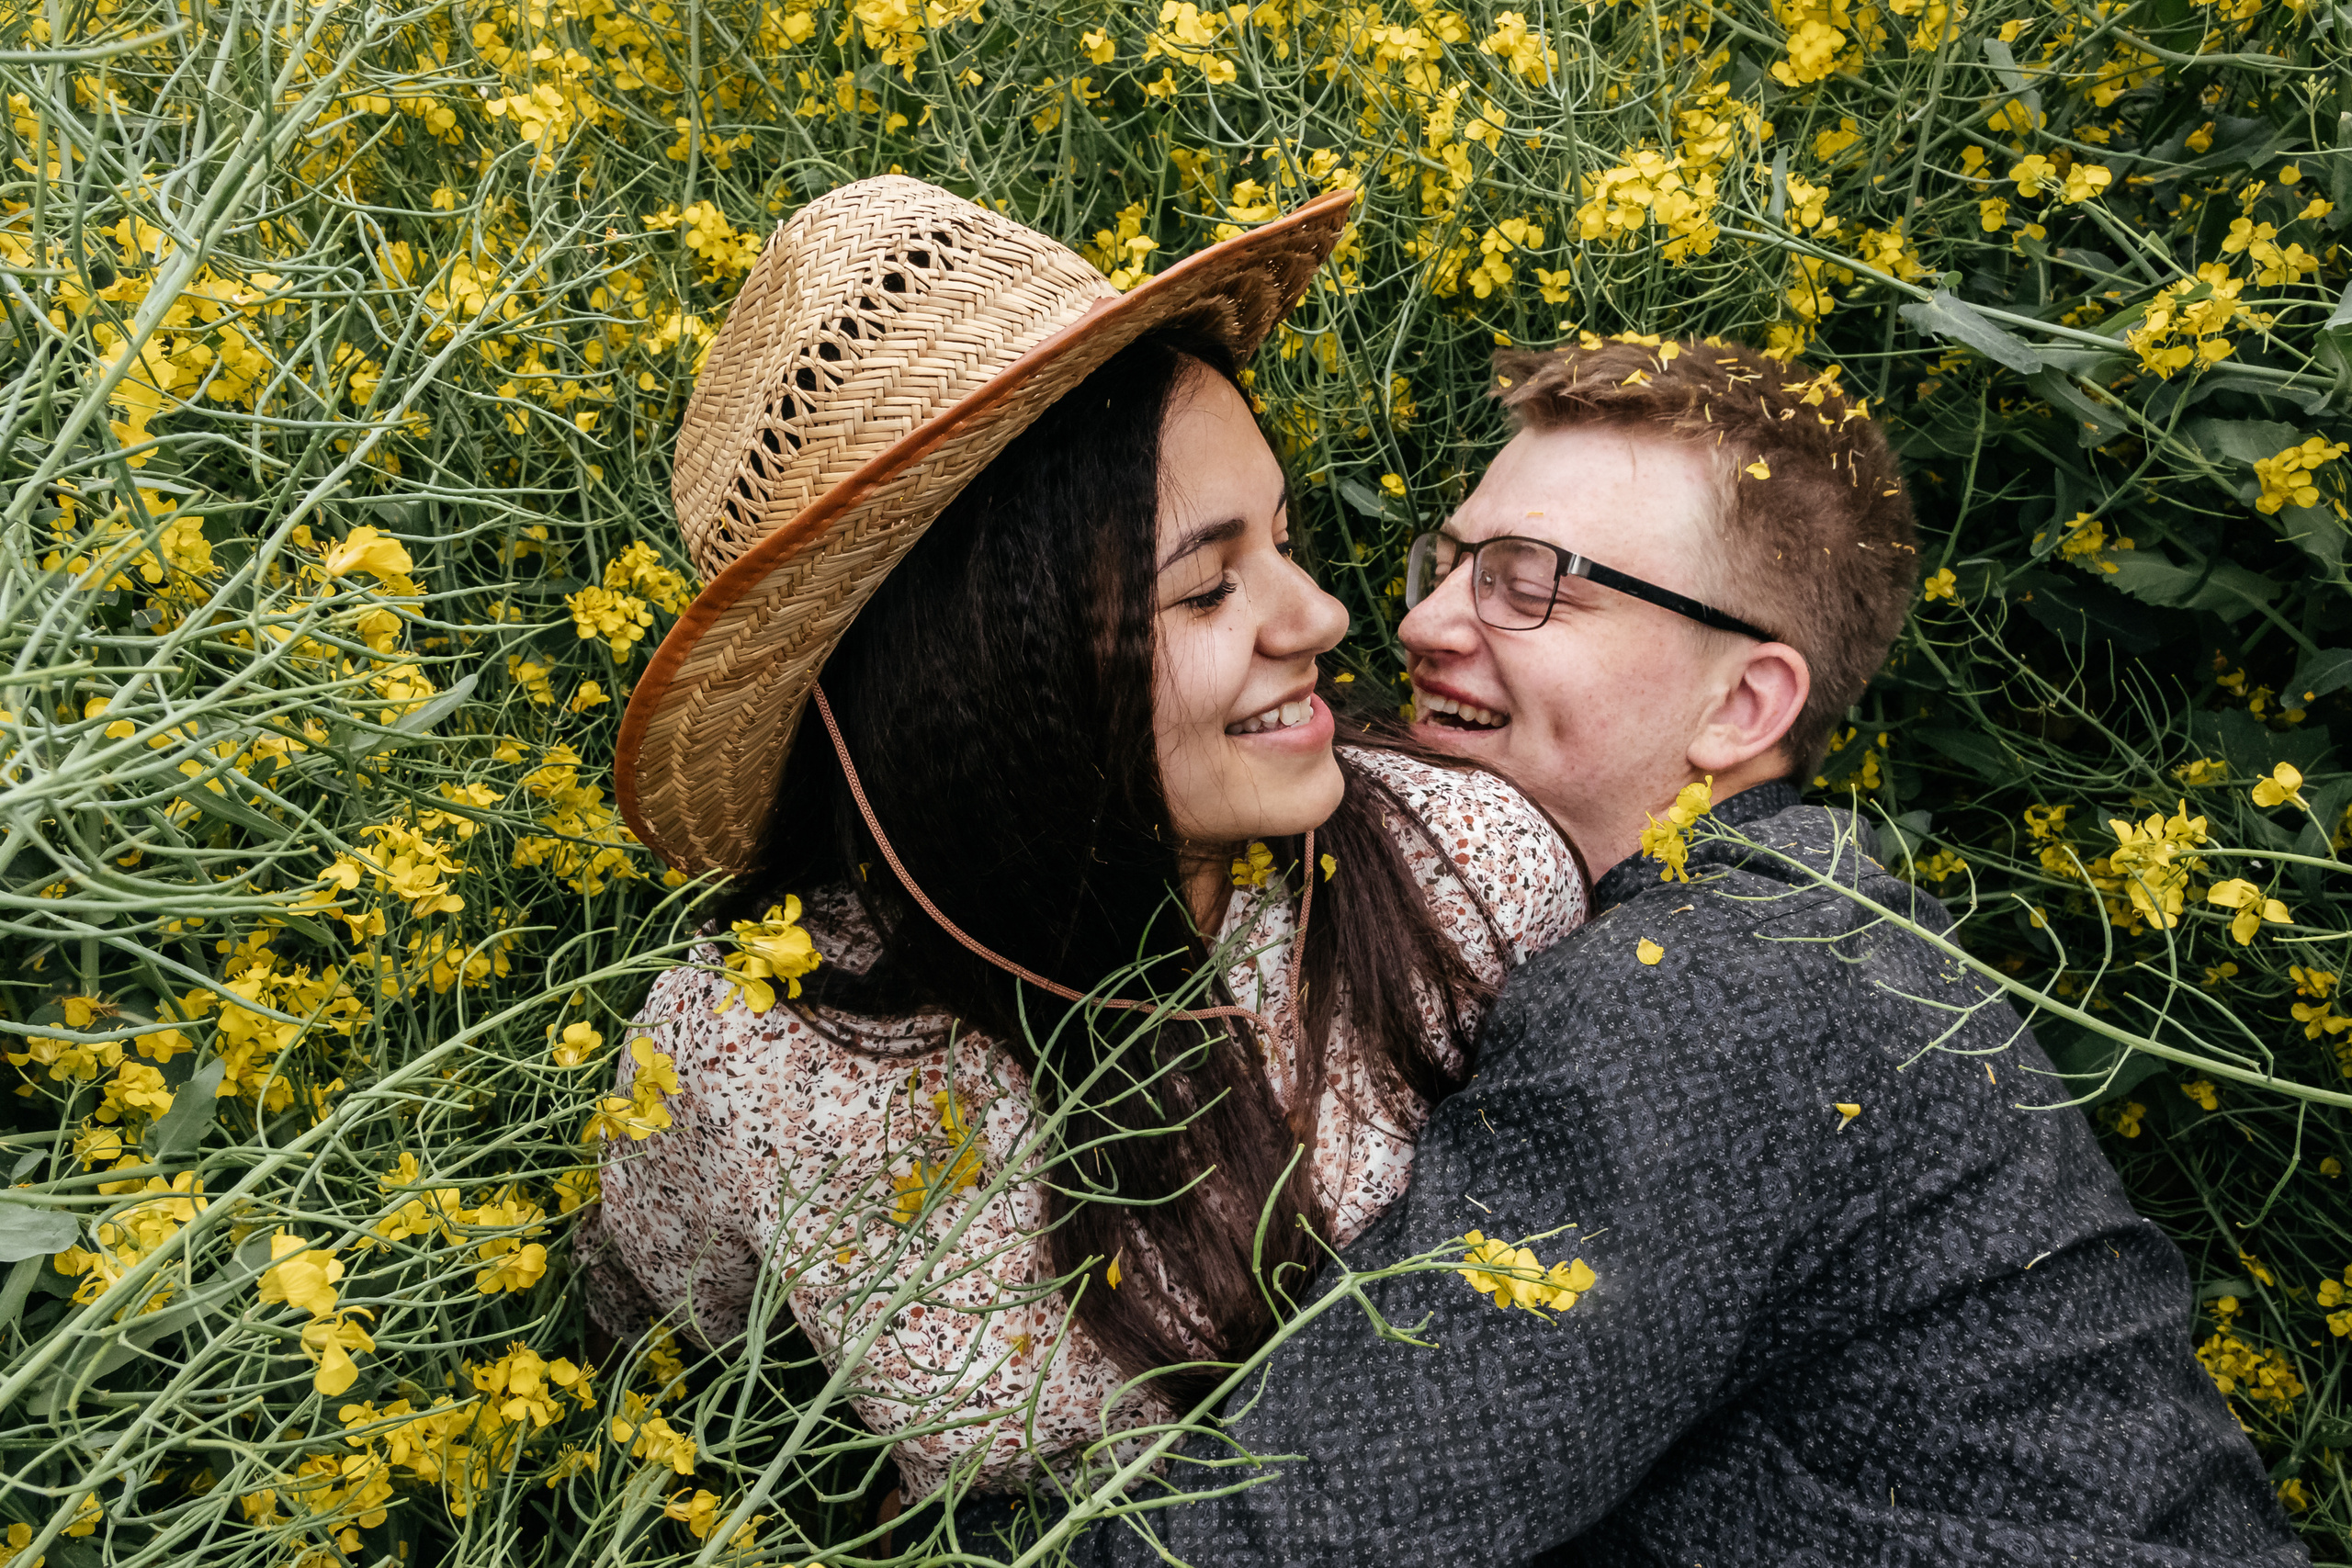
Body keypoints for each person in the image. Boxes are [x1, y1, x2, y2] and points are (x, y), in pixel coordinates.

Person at [1008, 336, 2306, 1566]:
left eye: (1528, 585)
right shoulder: (1792, 930)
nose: (1421, 624)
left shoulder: (1720, 992)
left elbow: (1317, 1530)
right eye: (1446, 565)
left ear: (1743, 706)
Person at [578, 176, 1583, 1503]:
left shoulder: (1472, 869)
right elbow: (680, 1386)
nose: (1324, 618)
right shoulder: (740, 1053)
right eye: (1208, 588)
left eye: (1284, 540)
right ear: (981, 675)